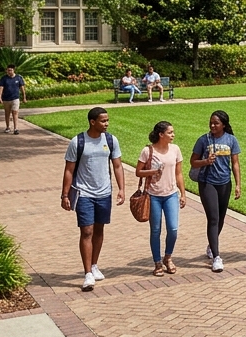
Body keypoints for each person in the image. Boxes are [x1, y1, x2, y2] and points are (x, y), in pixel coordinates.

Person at [61, 107, 125, 291]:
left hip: (104, 193)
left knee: (99, 229)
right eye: (103, 121)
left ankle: (95, 265)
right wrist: (65, 195)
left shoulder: (111, 140)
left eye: (107, 121)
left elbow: (118, 166)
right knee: (86, 231)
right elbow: (69, 170)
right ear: (92, 122)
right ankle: (88, 273)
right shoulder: (78, 141)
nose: (106, 124)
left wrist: (121, 189)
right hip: (84, 193)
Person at [191, 110, 241, 272]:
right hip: (207, 183)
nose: (212, 125)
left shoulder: (231, 140)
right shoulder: (203, 140)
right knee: (213, 218)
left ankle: (211, 245)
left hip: (225, 183)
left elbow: (235, 163)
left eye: (216, 123)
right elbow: (193, 161)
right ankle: (217, 257)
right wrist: (206, 161)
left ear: (224, 125)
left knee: (220, 219)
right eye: (211, 122)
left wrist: (238, 184)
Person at [136, 120, 185, 276]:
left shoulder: (175, 149)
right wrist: (152, 171)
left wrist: (183, 193)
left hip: (171, 194)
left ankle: (168, 257)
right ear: (161, 134)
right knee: (155, 230)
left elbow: (179, 173)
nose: (173, 135)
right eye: (170, 132)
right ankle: (157, 262)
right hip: (153, 195)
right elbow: (138, 172)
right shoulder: (147, 151)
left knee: (173, 229)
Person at [0, 64, 25, 135]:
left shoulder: (19, 78)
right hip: (6, 99)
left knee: (15, 112)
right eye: (8, 70)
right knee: (7, 113)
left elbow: (22, 88)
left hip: (15, 98)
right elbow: (1, 87)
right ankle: (8, 127)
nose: (9, 72)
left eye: (10, 70)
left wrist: (24, 97)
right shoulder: (4, 78)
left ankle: (16, 128)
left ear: (14, 70)